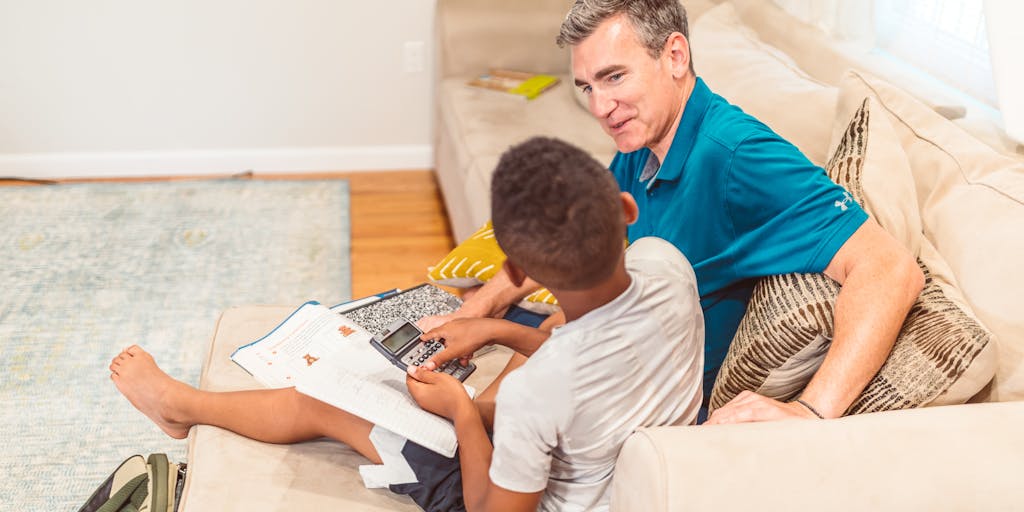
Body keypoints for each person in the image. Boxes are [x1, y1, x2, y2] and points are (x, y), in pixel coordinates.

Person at [110, 136, 704, 511]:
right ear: (627, 213)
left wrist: (465, 414)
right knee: (458, 362)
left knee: (329, 400)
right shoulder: (667, 266)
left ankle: (180, 406)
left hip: (548, 491)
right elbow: (580, 347)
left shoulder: (536, 391)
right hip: (614, 443)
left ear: (516, 268)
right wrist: (496, 330)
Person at [420, 0, 924, 424]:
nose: (599, 106)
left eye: (614, 77)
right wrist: (475, 310)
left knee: (411, 425)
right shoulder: (645, 138)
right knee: (399, 348)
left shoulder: (736, 157)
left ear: (675, 55)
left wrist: (813, 412)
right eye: (587, 87)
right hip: (613, 346)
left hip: (645, 401)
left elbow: (890, 268)